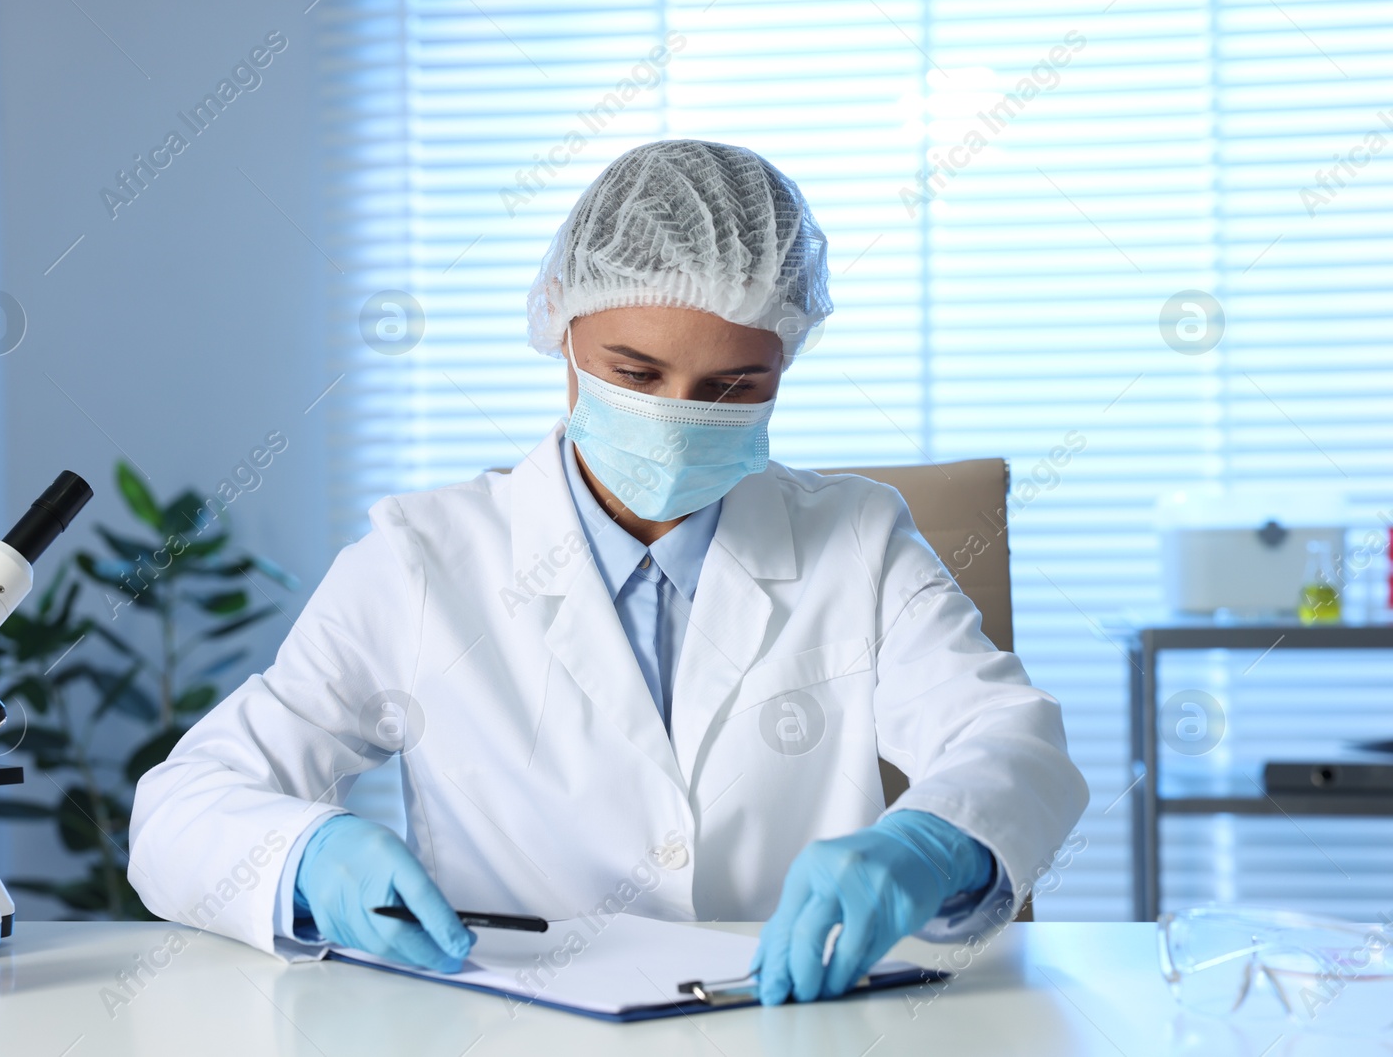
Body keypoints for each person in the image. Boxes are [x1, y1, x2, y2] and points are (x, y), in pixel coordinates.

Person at [129, 139, 1089, 1005]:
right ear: (563, 333)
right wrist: (307, 856)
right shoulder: (422, 558)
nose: (678, 414)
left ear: (788, 359)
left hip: (790, 1019)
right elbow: (180, 807)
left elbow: (1015, 742)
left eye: (732, 389)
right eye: (636, 373)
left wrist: (928, 845)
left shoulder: (859, 538)